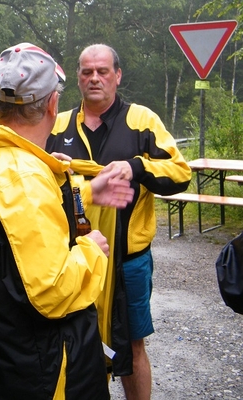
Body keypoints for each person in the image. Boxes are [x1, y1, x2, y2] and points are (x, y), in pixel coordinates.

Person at [0, 42, 135, 399]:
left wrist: (83, 190)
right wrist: (91, 251)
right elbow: (53, 291)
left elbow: (11, 241)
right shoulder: (23, 178)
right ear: (52, 103)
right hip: (37, 372)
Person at [46, 44, 191, 399]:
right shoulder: (57, 124)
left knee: (132, 346)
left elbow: (180, 173)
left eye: (103, 71)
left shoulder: (142, 120)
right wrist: (51, 164)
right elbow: (33, 182)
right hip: (72, 257)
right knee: (68, 343)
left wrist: (138, 166)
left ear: (118, 75)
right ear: (77, 77)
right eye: (86, 72)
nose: (94, 78)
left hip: (127, 259)